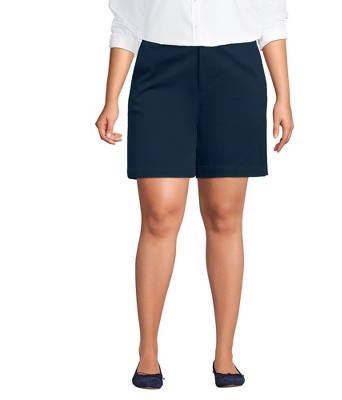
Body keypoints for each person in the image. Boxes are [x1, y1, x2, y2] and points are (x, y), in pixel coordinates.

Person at [95, 0, 294, 390]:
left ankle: (225, 354)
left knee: (224, 215)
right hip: (160, 69)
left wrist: (283, 95)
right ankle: (147, 351)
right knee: (159, 215)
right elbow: (127, 21)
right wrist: (110, 98)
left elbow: (271, 18)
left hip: (236, 69)